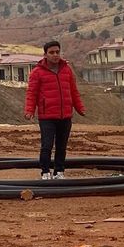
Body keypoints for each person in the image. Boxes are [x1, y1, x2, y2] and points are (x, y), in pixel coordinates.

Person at [24, 41, 86, 179]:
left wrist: (80, 108)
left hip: (65, 115)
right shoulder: (37, 72)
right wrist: (29, 110)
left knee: (61, 146)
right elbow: (31, 93)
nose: (55, 55)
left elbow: (73, 91)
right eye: (51, 52)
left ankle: (59, 171)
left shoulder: (67, 70)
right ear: (45, 54)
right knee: (47, 145)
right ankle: (45, 172)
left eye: (57, 52)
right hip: (47, 116)